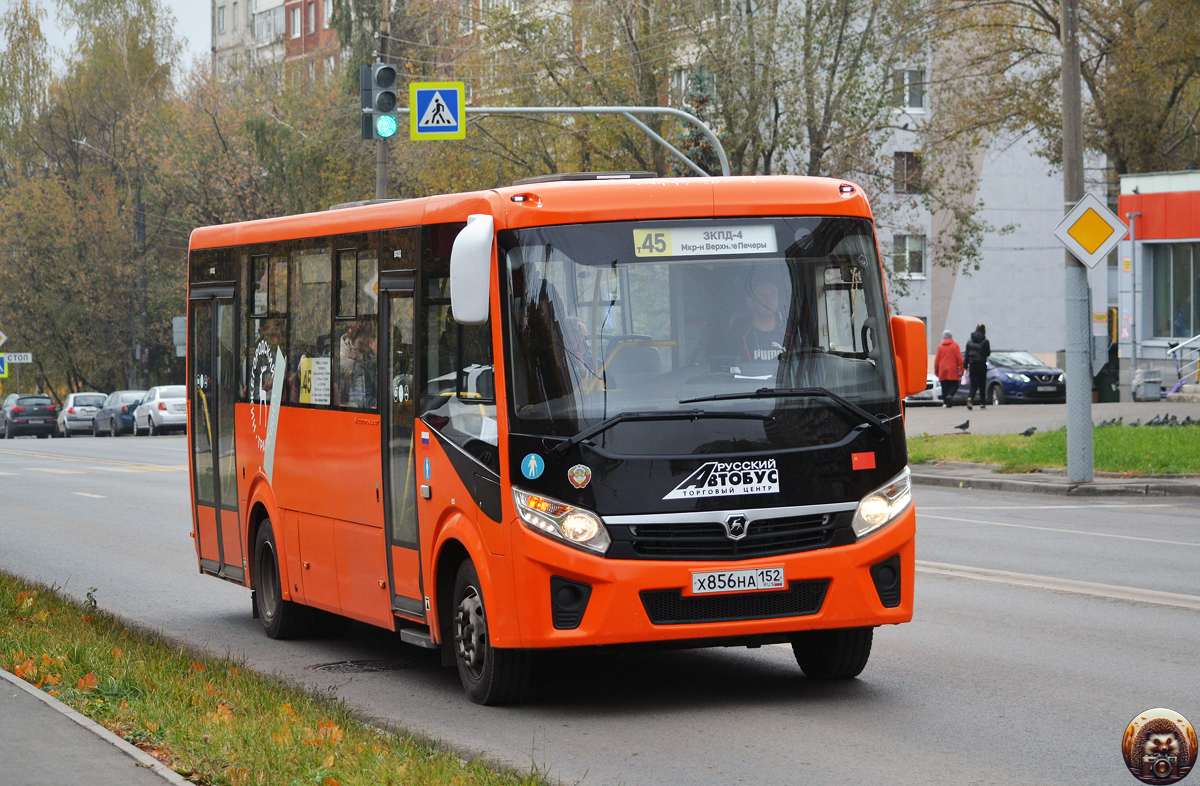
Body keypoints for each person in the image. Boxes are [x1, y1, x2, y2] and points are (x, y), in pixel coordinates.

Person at [734, 281, 787, 362]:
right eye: (762, 294)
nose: (769, 299)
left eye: (773, 293)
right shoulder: (737, 337)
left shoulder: (791, 335)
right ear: (750, 302)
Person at [964, 323, 991, 410]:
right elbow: (988, 353)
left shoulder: (969, 342)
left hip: (972, 365)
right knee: (982, 384)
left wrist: (965, 365)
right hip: (982, 365)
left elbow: (967, 355)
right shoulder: (985, 341)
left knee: (973, 384)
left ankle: (970, 398)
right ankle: (982, 402)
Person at [934, 330, 963, 407]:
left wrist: (936, 371)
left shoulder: (940, 347)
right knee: (954, 385)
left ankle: (946, 402)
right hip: (952, 369)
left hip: (942, 369)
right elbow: (959, 359)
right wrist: (962, 369)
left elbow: (937, 360)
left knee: (944, 386)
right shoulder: (955, 346)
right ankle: (950, 395)